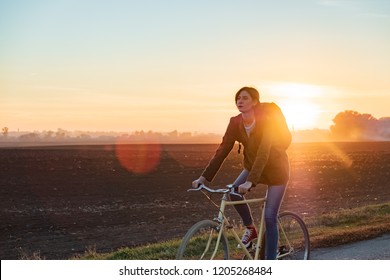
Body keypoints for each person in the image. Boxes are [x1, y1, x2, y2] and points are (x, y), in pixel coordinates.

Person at [192, 86, 291, 260]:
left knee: (269, 216)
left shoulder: (266, 120)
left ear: (254, 102)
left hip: (276, 169)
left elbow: (263, 152)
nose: (240, 101)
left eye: (245, 98)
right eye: (238, 98)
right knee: (233, 193)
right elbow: (222, 150)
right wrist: (203, 177)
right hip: (252, 167)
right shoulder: (235, 122)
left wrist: (250, 182)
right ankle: (251, 229)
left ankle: (270, 263)